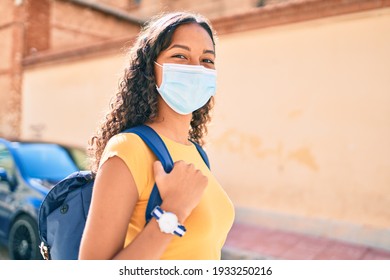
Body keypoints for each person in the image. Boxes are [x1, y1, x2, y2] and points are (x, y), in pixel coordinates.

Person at [78, 11, 235, 260]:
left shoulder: (196, 152)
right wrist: (173, 211)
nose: (196, 69)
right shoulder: (129, 148)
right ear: (151, 69)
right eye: (180, 56)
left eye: (207, 60)